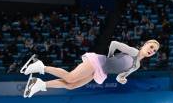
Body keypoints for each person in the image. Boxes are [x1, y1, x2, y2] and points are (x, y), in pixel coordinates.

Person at [20, 39, 160, 98]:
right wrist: (110, 56)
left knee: (71, 85)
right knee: (70, 78)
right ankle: (40, 66)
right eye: (151, 47)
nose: (151, 50)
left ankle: (40, 84)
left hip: (100, 72)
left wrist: (122, 79)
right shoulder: (133, 51)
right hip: (98, 62)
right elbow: (114, 43)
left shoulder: (137, 65)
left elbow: (120, 76)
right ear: (145, 44)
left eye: (154, 51)